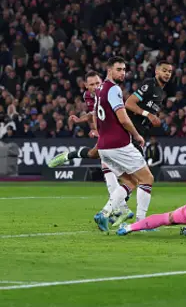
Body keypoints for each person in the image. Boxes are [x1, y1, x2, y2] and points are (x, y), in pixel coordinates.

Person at [47, 70, 134, 221]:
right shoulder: (88, 96)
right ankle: (121, 208)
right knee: (107, 165)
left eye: (97, 83)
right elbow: (95, 115)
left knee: (130, 175)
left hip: (121, 134)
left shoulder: (109, 92)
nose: (95, 87)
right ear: (86, 86)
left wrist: (98, 130)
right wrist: (90, 125)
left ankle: (123, 209)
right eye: (92, 84)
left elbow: (116, 116)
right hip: (107, 135)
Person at [93, 56, 156, 232]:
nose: (122, 72)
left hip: (104, 147)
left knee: (130, 181)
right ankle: (141, 223)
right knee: (147, 178)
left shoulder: (99, 89)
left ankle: (104, 213)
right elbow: (123, 117)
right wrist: (136, 135)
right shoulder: (114, 90)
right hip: (119, 145)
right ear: (109, 70)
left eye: (124, 69)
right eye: (118, 69)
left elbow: (96, 116)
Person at [125, 61, 173, 154]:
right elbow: (129, 103)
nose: (167, 73)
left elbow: (147, 112)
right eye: (164, 70)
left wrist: (155, 120)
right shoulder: (150, 84)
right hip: (129, 131)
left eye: (170, 71)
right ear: (157, 71)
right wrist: (148, 114)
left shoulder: (161, 93)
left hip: (139, 134)